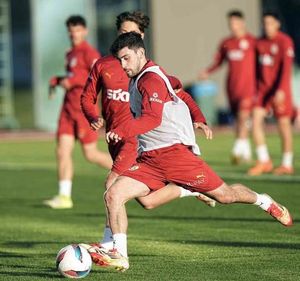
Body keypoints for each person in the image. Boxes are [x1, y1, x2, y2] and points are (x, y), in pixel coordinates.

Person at [85, 32, 293, 272]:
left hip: (176, 156)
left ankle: (264, 201)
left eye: (126, 58)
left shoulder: (149, 80)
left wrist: (123, 129)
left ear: (141, 53)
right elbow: (178, 92)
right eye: (120, 60)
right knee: (114, 194)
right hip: (150, 159)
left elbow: (152, 119)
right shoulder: (139, 78)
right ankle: (119, 254)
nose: (123, 65)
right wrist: (197, 117)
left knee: (225, 196)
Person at [80, 11, 215, 251]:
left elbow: (180, 94)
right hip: (115, 139)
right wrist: (93, 116)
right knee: (147, 201)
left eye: (133, 33)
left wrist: (199, 117)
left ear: (141, 38)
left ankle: (110, 245)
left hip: (137, 139)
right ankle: (186, 188)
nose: (127, 36)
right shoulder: (104, 65)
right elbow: (87, 97)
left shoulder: (151, 74)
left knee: (112, 186)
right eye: (123, 33)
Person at [43, 15, 112, 209]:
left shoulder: (89, 53)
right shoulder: (70, 53)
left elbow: (97, 77)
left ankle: (127, 171)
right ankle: (64, 196)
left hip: (84, 110)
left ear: (85, 31)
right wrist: (58, 80)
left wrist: (72, 81)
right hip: (67, 110)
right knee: (62, 151)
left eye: (78, 30)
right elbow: (73, 76)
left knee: (90, 154)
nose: (74, 34)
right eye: (71, 31)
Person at [199, 10, 256, 164]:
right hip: (232, 87)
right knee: (238, 120)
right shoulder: (227, 43)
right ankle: (246, 152)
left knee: (244, 116)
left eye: (236, 23)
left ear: (242, 23)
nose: (233, 26)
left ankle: (237, 150)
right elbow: (219, 62)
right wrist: (207, 71)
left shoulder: (252, 42)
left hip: (249, 87)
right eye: (231, 23)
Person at [248, 12, 295, 176]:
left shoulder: (284, 41)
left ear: (277, 24)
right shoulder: (259, 43)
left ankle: (287, 163)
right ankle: (264, 161)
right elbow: (255, 69)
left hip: (280, 91)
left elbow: (286, 68)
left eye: (270, 23)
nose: (266, 26)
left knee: (283, 125)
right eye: (264, 23)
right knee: (255, 122)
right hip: (262, 91)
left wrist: (281, 89)